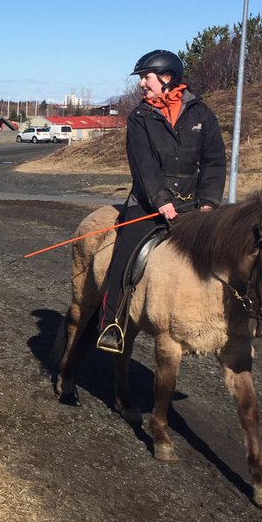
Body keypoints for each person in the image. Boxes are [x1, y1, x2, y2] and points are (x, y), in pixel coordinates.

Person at [95, 49, 227, 352]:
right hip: (147, 201)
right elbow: (143, 164)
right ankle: (112, 323)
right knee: (124, 255)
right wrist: (160, 200)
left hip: (194, 205)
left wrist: (208, 202)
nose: (141, 84)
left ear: (167, 78)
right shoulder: (140, 117)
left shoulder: (202, 115)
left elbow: (214, 162)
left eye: (146, 77)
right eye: (141, 78)